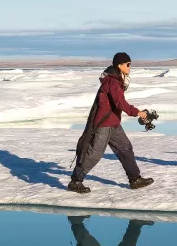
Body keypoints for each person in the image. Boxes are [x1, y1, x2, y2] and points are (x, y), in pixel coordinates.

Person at [66, 53, 155, 193]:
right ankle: (75, 181)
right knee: (94, 154)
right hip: (104, 124)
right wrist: (137, 112)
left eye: (130, 64)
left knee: (125, 148)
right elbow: (120, 103)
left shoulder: (116, 80)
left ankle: (135, 179)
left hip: (113, 123)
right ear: (119, 65)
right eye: (128, 64)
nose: (130, 67)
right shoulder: (112, 82)